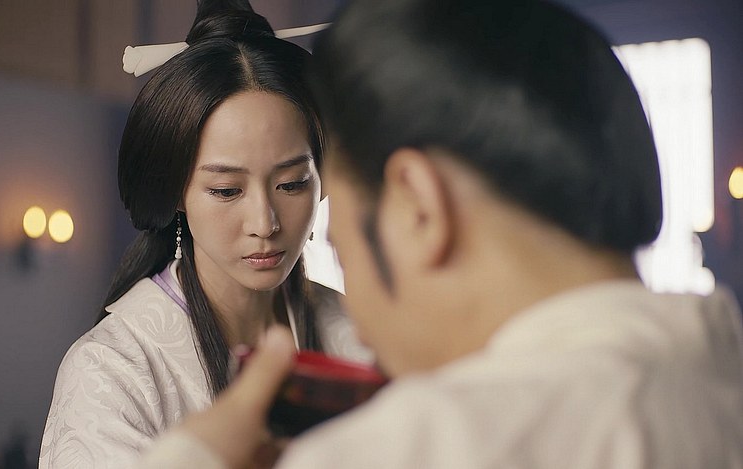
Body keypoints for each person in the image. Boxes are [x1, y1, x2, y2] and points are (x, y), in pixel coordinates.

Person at [129, 0, 743, 467]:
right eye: (226, 189)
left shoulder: (412, 445)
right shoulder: (721, 365)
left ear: (419, 206)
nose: (361, 330)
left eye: (342, 247)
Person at [38, 1, 370, 467]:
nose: (265, 223)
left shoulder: (361, 335)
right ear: (177, 191)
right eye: (226, 190)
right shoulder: (112, 371)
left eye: (292, 183)